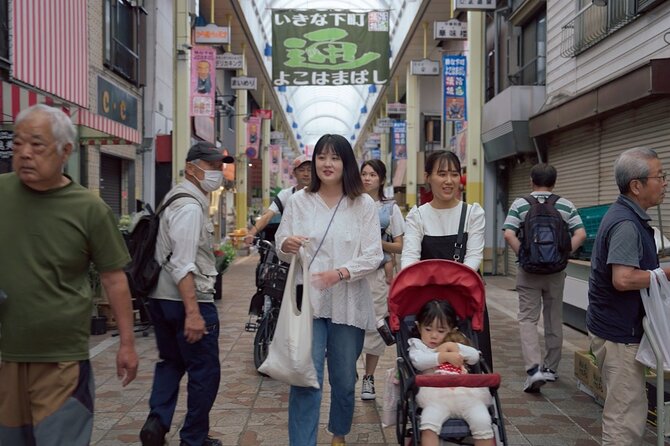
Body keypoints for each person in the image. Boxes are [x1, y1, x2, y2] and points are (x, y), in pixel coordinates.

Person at [0, 104, 139, 445]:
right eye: (18, 144)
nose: (25, 154)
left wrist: (127, 344)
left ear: (66, 151)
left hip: (61, 358)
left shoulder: (89, 209)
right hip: (5, 355)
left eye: (37, 144)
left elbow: (113, 278)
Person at [275, 134, 383, 446]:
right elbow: (282, 245)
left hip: (349, 302)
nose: (327, 163)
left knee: (345, 380)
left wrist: (341, 273)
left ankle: (339, 432)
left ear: (346, 163)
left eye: (335, 157)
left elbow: (373, 255)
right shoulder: (299, 201)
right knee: (306, 378)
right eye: (321, 157)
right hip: (308, 303)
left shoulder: (363, 204)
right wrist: (287, 243)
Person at [140, 142, 233, 446]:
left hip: (160, 299)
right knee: (204, 372)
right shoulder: (190, 206)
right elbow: (182, 264)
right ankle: (193, 438)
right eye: (212, 166)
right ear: (192, 166)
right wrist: (193, 313)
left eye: (220, 167)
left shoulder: (175, 196)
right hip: (185, 302)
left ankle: (157, 422)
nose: (218, 173)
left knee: (171, 361)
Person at [587, 147, 669, 445]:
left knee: (627, 411)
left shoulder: (627, 216)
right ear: (637, 185)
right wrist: (666, 275)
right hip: (621, 335)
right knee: (624, 420)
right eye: (660, 176)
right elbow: (623, 279)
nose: (664, 183)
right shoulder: (626, 224)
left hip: (617, 329)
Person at [401, 150, 491, 367]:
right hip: (429, 302)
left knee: (474, 360)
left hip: (464, 297)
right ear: (427, 177)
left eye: (454, 174)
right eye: (441, 174)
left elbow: (473, 256)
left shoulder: (473, 213)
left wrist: (456, 285)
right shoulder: (418, 215)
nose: (449, 181)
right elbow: (410, 257)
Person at [503, 163, 586, 393]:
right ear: (554, 182)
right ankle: (551, 368)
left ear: (531, 180)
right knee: (553, 316)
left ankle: (533, 369)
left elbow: (509, 233)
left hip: (528, 272)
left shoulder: (520, 204)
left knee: (528, 319)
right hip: (556, 272)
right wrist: (563, 253)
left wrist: (524, 254)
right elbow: (581, 233)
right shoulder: (565, 204)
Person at [408, 299, 494, 446]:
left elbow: (474, 357)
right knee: (428, 424)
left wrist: (452, 345)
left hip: (466, 395)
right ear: (419, 327)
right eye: (428, 329)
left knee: (482, 421)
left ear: (452, 330)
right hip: (435, 398)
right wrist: (443, 356)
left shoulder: (457, 342)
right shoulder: (418, 346)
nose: (434, 336)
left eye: (441, 331)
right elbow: (418, 361)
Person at [359, 159, 405, 401]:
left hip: (377, 276)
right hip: (351, 275)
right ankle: (348, 371)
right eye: (364, 174)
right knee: (350, 323)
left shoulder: (390, 208)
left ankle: (368, 377)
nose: (367, 178)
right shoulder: (349, 203)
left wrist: (379, 244)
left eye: (372, 174)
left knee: (376, 325)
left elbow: (400, 245)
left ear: (382, 179)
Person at [244, 154, 312, 245]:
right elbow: (268, 215)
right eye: (301, 170)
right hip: (291, 244)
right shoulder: (286, 194)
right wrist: (251, 233)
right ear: (294, 173)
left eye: (310, 170)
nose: (306, 174)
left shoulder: (322, 194)